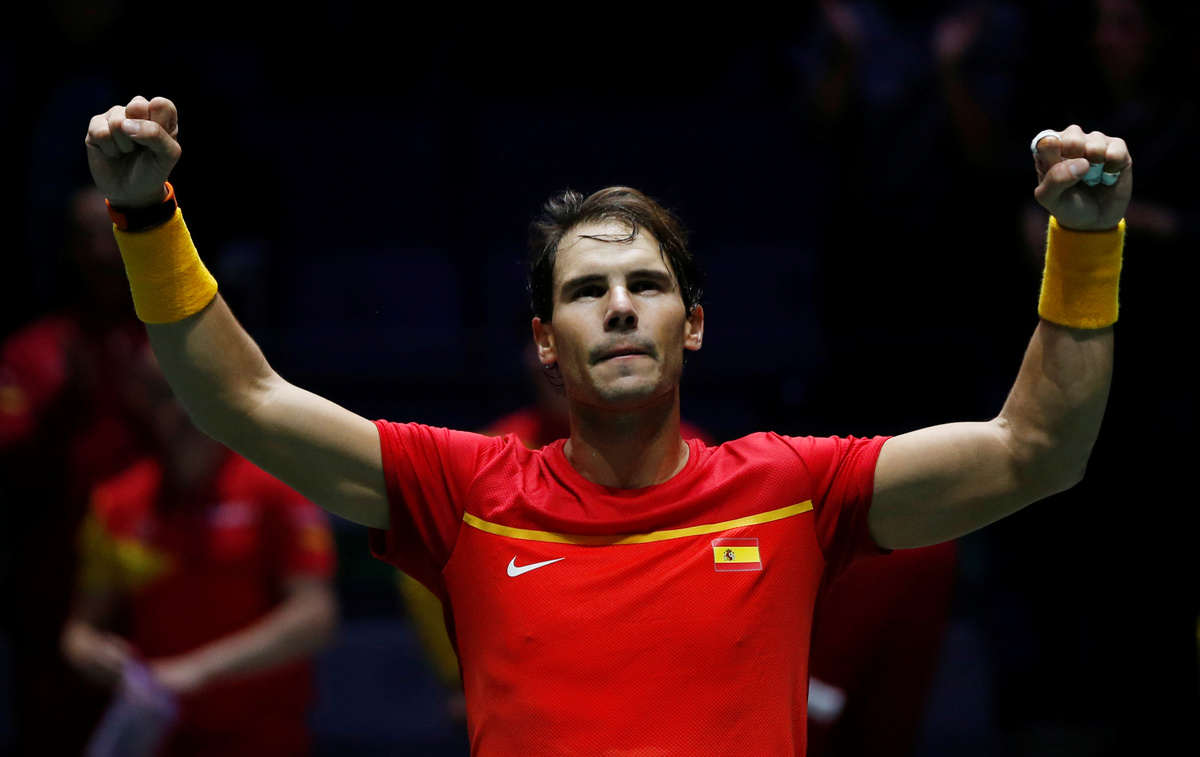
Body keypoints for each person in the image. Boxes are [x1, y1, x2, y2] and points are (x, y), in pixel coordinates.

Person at [84, 95, 1129, 755]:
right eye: (588, 291)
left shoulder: (795, 489)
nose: (620, 306)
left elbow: (1037, 451)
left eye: (647, 284)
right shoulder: (468, 491)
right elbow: (242, 399)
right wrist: (147, 218)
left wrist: (1086, 243)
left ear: (694, 324)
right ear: (546, 341)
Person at [60, 346, 339, 757]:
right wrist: (90, 652)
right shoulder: (114, 504)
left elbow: (316, 615)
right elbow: (80, 631)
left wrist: (197, 671)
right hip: (158, 735)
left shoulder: (278, 487)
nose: (180, 409)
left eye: (193, 391)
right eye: (163, 393)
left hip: (263, 739)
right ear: (140, 399)